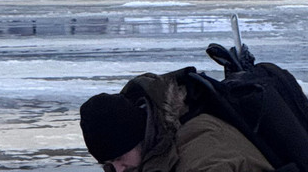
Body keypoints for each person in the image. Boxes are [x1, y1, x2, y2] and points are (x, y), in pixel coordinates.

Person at [80, 71, 273, 172]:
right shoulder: (153, 147)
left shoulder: (201, 155)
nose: (118, 169)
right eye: (109, 163)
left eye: (119, 158)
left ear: (137, 136)